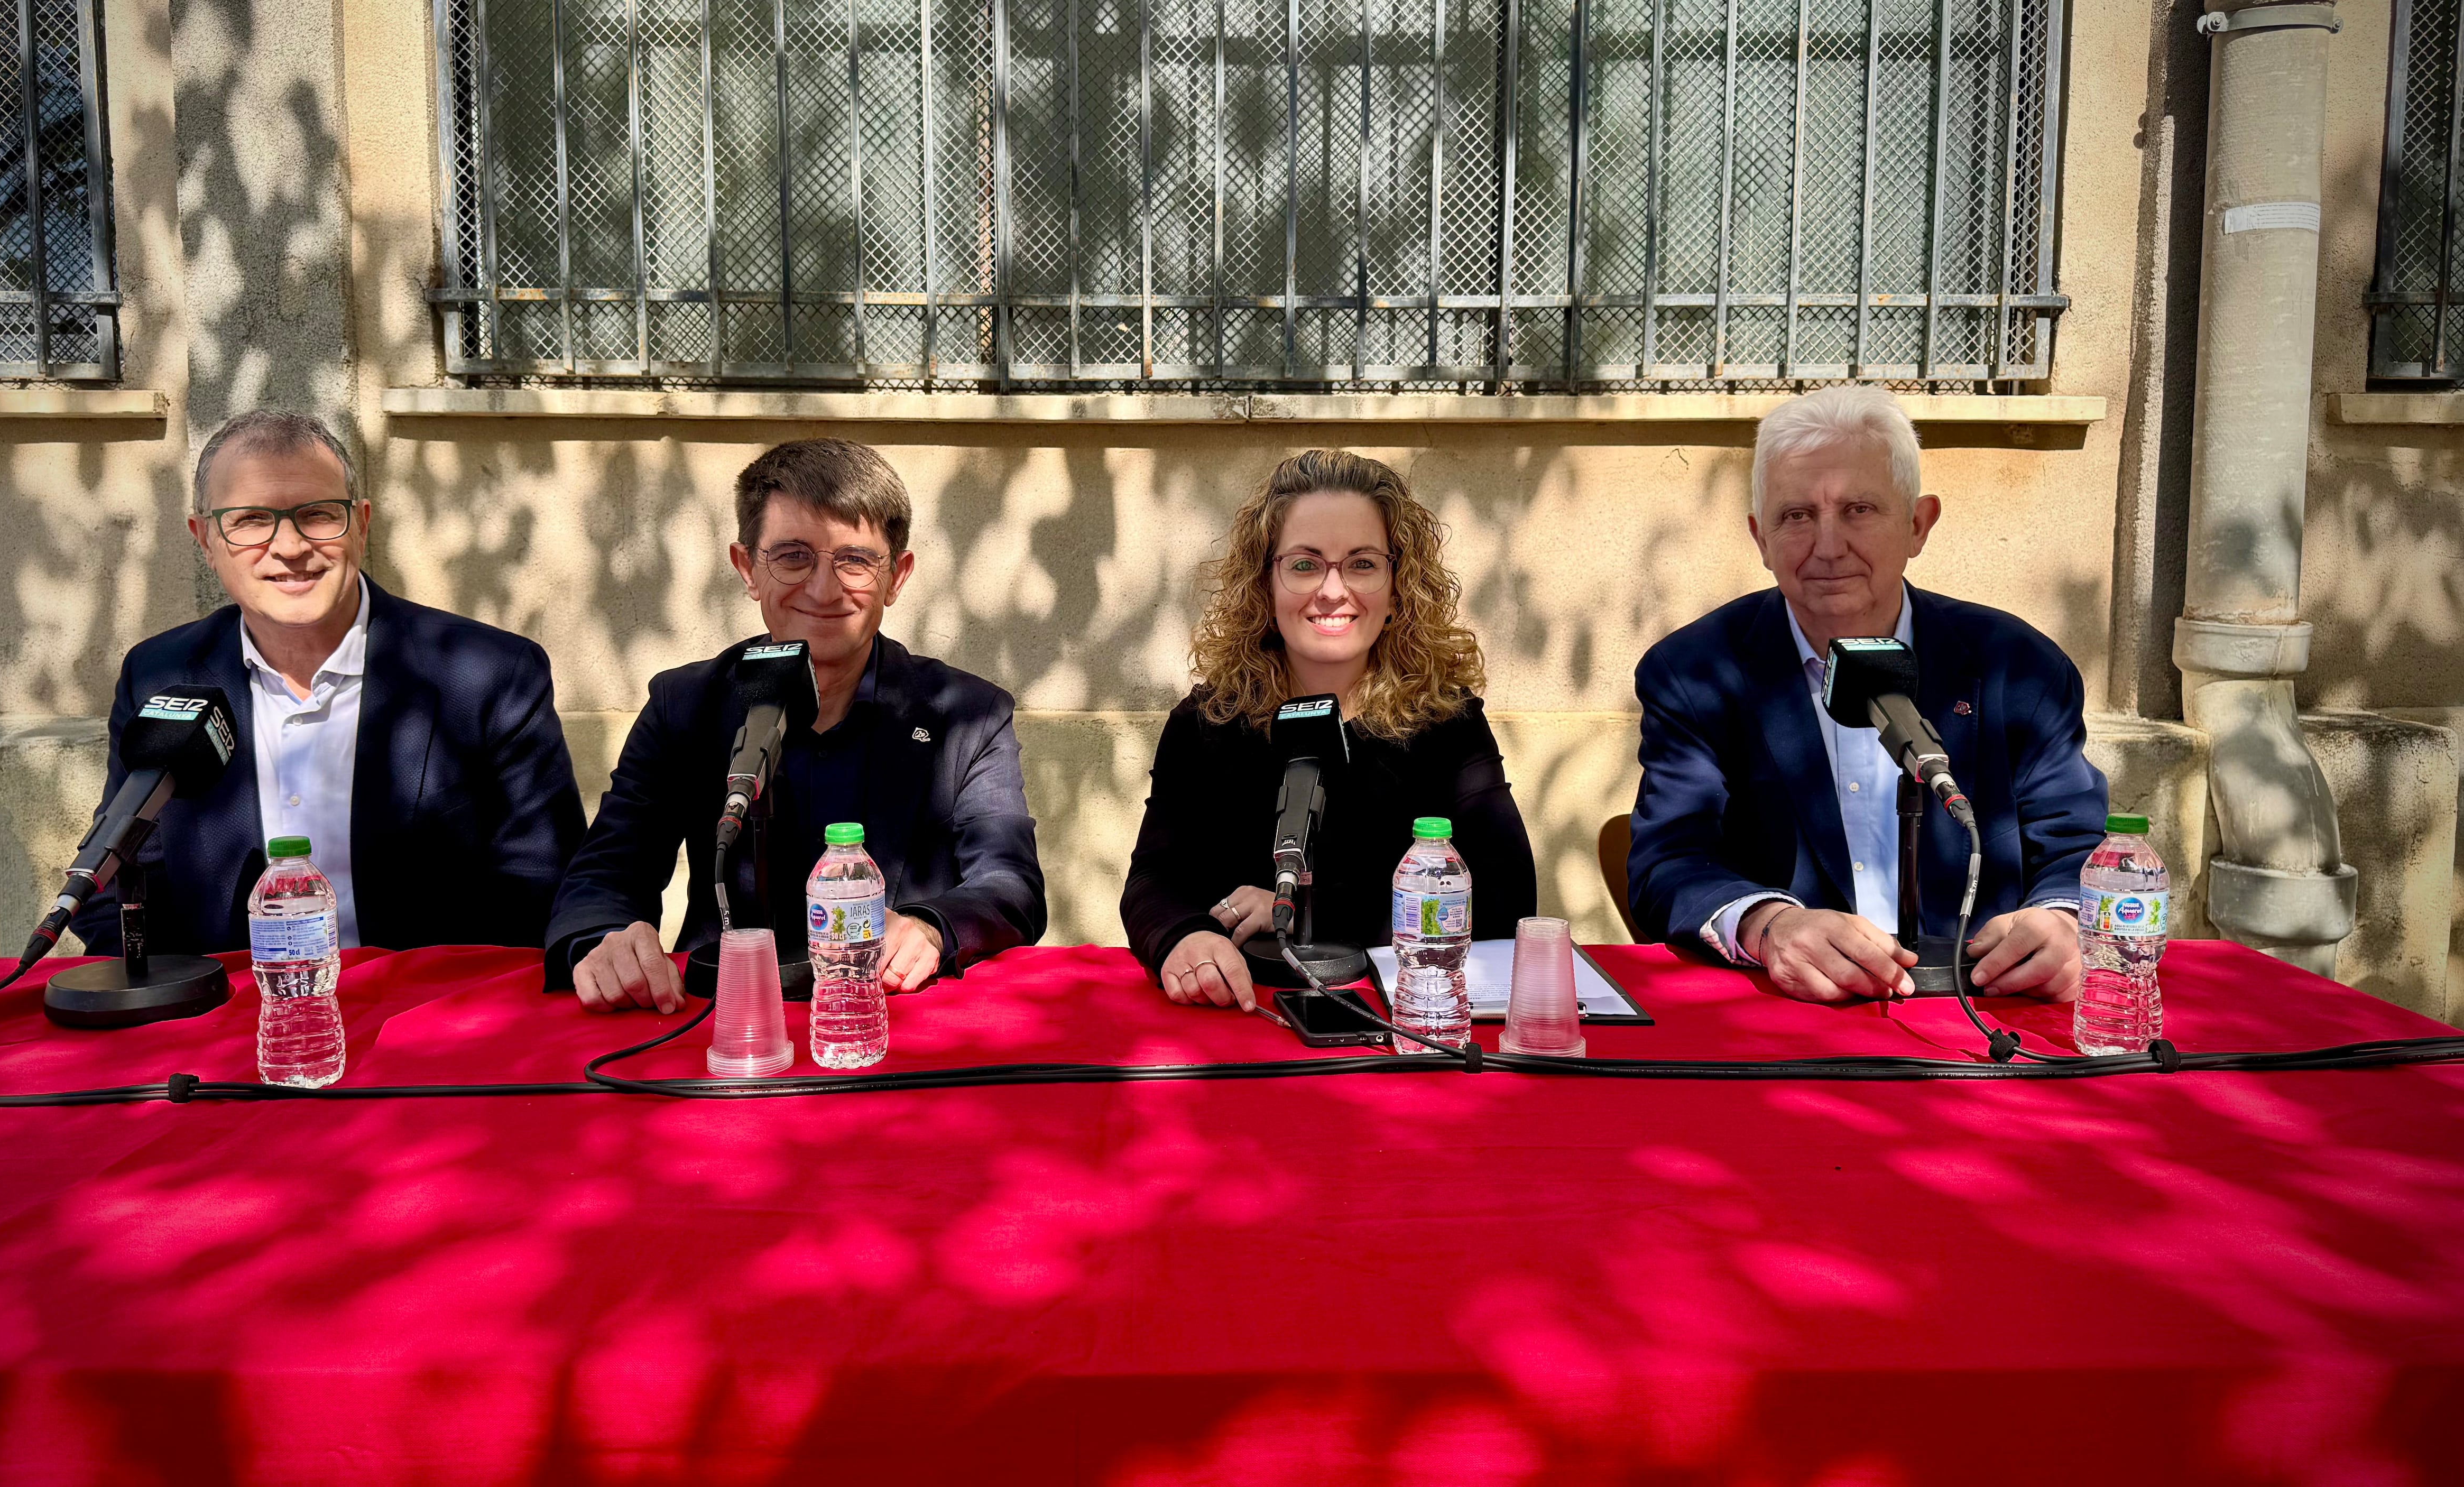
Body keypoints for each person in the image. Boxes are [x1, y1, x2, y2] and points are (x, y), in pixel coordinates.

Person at [1627, 384, 2108, 1004]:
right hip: (1792, 1011)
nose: (1827, 546)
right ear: (1759, 538)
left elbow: (2080, 847)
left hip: (1984, 1008)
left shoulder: (2017, 667)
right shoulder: (1693, 674)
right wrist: (1769, 925)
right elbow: (1667, 861)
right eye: (1795, 516)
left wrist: (2064, 921)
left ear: (1917, 523)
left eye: (1858, 509)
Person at [549, 438, 1046, 1012]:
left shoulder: (968, 714)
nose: (822, 588)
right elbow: (603, 878)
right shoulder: (683, 704)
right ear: (746, 568)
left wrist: (930, 925)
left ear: (897, 576)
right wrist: (604, 940)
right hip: (718, 1020)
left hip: (894, 1018)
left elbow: (1012, 887)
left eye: (854, 560)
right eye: (792, 556)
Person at [74, 410, 586, 955]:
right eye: (250, 519)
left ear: (361, 524)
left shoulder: (490, 675)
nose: (290, 546)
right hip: (227, 1018)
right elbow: (117, 886)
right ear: (205, 538)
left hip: (423, 1018)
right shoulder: (160, 676)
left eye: (316, 514)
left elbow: (546, 887)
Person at [1121, 450, 1538, 1011]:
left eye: (1362, 563)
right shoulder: (1205, 723)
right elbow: (1154, 881)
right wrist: (1182, 938)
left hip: (1398, 1026)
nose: (1332, 590)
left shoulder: (1447, 723)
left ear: (1397, 588)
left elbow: (1506, 896)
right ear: (1264, 584)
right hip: (1245, 1015)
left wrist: (1294, 907)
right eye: (1304, 564)